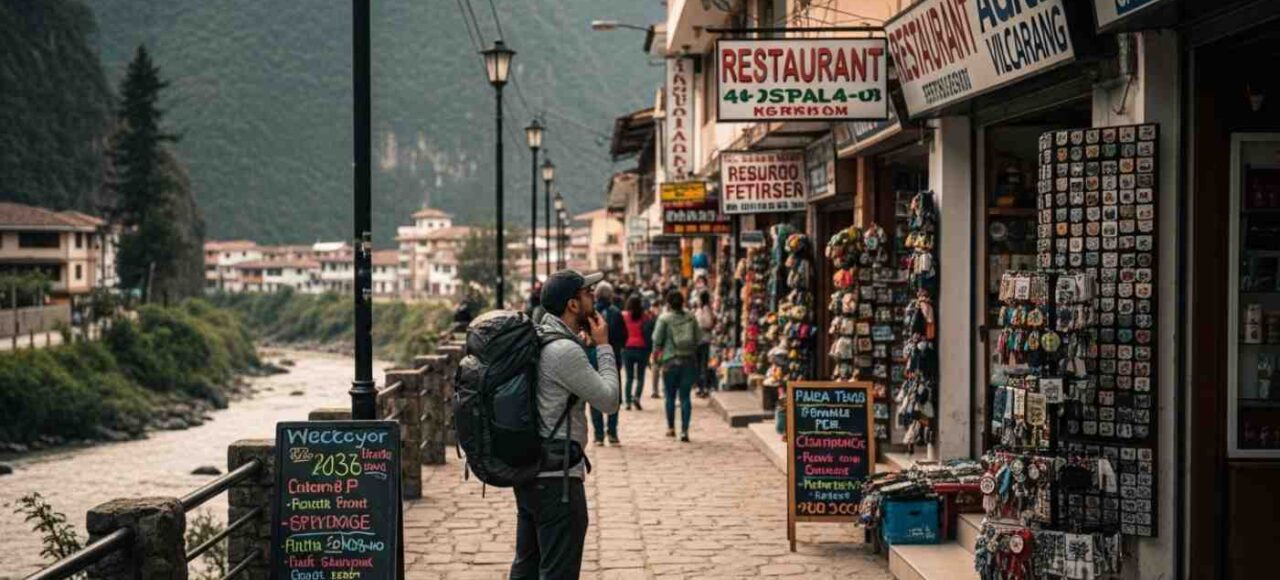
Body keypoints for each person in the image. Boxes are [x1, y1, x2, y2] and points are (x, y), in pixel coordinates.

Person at [510, 269, 620, 580]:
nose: (593, 299)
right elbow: (609, 401)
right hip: (558, 480)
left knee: (526, 569)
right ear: (572, 305)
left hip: (530, 472)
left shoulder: (543, 338)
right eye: (587, 294)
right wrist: (603, 347)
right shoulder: (565, 351)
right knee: (558, 572)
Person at [652, 289, 702, 442]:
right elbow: (698, 339)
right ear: (683, 302)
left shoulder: (664, 319)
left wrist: (656, 359)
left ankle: (671, 428)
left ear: (668, 303)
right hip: (688, 360)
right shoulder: (691, 318)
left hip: (670, 361)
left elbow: (657, 340)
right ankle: (685, 431)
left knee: (670, 396)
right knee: (685, 397)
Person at [589, 282, 626, 446]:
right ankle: (612, 433)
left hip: (593, 357)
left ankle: (598, 435)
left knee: (595, 395)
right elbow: (623, 336)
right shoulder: (616, 313)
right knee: (613, 395)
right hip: (613, 356)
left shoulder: (590, 313)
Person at [620, 294, 652, 410]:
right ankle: (637, 397)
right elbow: (649, 333)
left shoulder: (624, 316)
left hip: (627, 348)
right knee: (640, 376)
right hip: (642, 349)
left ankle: (627, 401)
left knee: (629, 377)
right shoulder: (645, 317)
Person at [693, 290, 715, 398]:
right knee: (698, 365)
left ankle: (704, 386)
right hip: (698, 340)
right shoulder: (699, 309)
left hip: (704, 340)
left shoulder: (706, 310)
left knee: (703, 364)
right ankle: (699, 386)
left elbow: (708, 323)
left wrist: (699, 325)